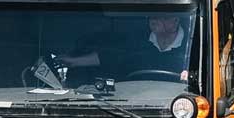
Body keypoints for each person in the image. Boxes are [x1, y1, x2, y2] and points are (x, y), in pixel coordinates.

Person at [55, 15, 190, 82]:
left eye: (162, 17)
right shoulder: (138, 40)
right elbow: (109, 56)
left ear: (176, 21)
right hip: (135, 101)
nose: (154, 20)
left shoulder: (192, 44)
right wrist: (74, 61)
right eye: (152, 16)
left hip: (176, 105)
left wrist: (190, 75)